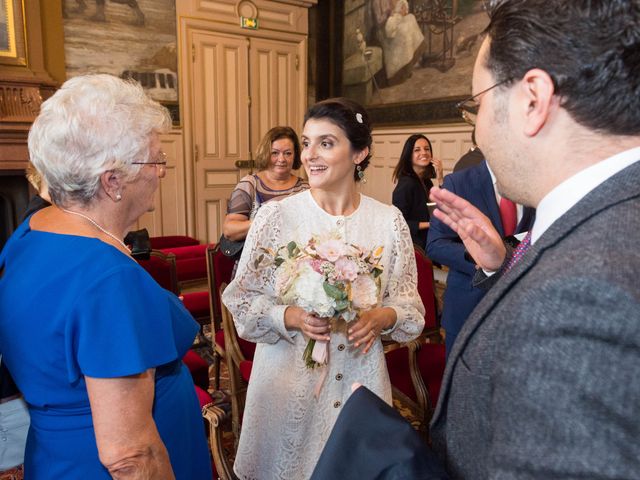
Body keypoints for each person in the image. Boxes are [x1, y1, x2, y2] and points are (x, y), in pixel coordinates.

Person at [426, 0, 640, 477]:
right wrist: (500, 264)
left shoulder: (585, 300)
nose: (477, 129)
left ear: (532, 100)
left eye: (476, 104)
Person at [0, 74, 211, 479]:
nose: (161, 172)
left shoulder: (33, 232)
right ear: (112, 181)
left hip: (57, 454)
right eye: (155, 160)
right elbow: (129, 455)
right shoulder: (106, 277)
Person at [222, 97, 425, 479]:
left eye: (326, 143)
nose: (309, 155)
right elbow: (242, 298)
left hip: (359, 382)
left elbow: (410, 306)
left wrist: (385, 315)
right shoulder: (276, 218)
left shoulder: (388, 223)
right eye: (306, 142)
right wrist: (290, 316)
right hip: (289, 383)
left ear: (360, 153)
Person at [427, 160, 534, 356]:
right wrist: (475, 257)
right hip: (468, 309)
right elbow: (435, 244)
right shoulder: (458, 183)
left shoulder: (534, 181)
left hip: (522, 313)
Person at [222, 126, 308, 243]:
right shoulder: (250, 185)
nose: (281, 159)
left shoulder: (305, 188)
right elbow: (229, 231)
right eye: (275, 153)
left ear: (295, 155)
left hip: (296, 258)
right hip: (257, 259)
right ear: (266, 154)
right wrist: (266, 222)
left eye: (288, 153)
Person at [391, 134, 444, 247]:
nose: (424, 153)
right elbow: (400, 223)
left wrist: (440, 178)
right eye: (417, 150)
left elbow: (439, 206)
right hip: (415, 244)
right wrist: (430, 224)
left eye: (427, 149)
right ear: (409, 155)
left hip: (430, 237)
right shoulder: (406, 185)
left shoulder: (426, 181)